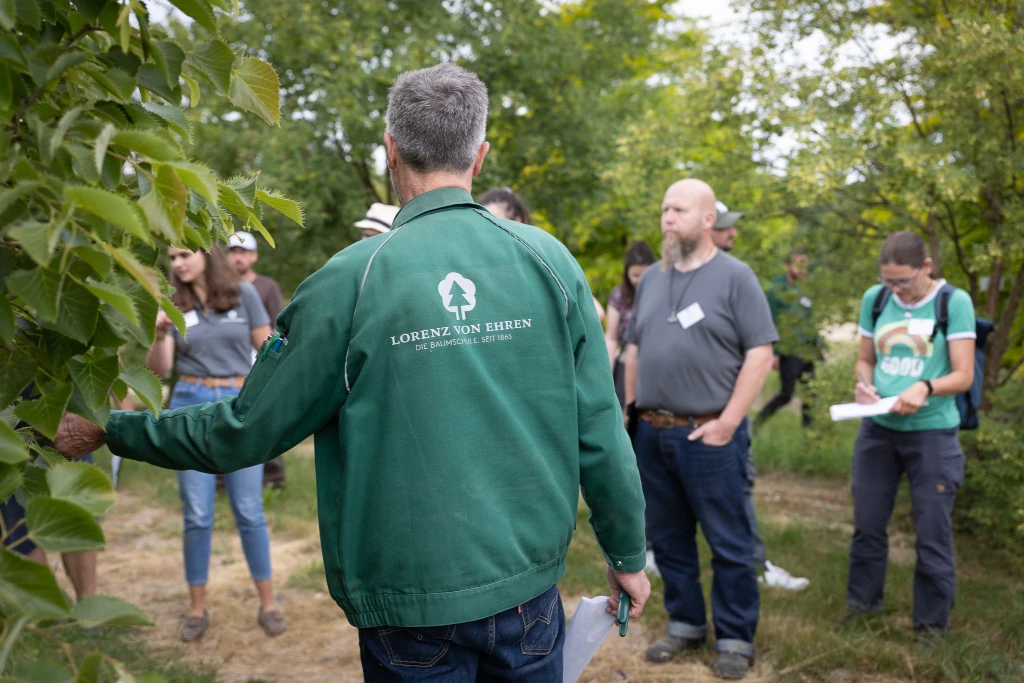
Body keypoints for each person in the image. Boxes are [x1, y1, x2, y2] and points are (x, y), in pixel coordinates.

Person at [56, 63, 650, 681]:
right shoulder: (547, 259)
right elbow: (600, 425)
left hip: (409, 604)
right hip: (528, 594)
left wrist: (111, 428)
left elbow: (244, 431)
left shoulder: (349, 281)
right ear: (481, 155)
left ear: (390, 151)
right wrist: (626, 552)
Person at [623, 179, 777, 680]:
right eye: (665, 208)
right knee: (668, 539)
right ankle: (686, 624)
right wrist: (629, 413)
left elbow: (761, 353)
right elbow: (635, 350)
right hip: (652, 431)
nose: (668, 218)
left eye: (680, 210)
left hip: (708, 433)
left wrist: (728, 422)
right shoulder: (651, 280)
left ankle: (734, 638)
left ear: (709, 219)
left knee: (728, 540)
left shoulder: (736, 277)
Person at [146, 245, 284, 642]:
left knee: (248, 508)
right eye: (171, 258)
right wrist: (158, 334)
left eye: (184, 254)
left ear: (208, 254)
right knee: (197, 513)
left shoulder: (246, 295)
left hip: (236, 405)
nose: (177, 264)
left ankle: (269, 604)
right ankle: (196, 609)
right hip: (189, 402)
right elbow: (161, 370)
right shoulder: (172, 301)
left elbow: (267, 350)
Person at [843, 231, 974, 640]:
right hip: (878, 430)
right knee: (867, 523)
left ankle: (932, 626)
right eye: (889, 282)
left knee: (932, 530)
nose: (896, 289)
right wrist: (864, 386)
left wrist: (926, 388)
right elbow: (865, 359)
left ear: (927, 268)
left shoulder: (954, 302)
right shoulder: (875, 300)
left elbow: (964, 375)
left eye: (904, 281)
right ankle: (863, 607)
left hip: (931, 433)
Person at [707, 203, 811, 592]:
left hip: (727, 417)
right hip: (686, 419)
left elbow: (757, 346)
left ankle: (757, 565)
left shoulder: (737, 278)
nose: (733, 234)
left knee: (738, 493)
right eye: (726, 228)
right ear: (707, 227)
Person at [479, 186, 607, 323]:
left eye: (495, 222)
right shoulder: (481, 264)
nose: (489, 230)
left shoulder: (542, 257)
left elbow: (596, 312)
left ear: (517, 221)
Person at [227, 230, 287, 489]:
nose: (237, 257)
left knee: (265, 420)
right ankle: (221, 480)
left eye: (243, 252)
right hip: (227, 368)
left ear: (254, 256)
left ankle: (273, 479)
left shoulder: (266, 286)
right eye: (233, 252)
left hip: (259, 365)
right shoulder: (219, 288)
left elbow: (278, 326)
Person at [758, 248, 819, 428]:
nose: (802, 269)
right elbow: (770, 320)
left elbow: (809, 320)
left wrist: (817, 344)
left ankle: (808, 434)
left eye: (805, 265)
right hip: (788, 349)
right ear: (787, 265)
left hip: (806, 350)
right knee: (787, 393)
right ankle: (757, 423)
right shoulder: (776, 289)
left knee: (811, 392)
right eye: (798, 264)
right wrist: (774, 353)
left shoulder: (803, 289)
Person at [605, 241, 656, 406]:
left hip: (652, 367)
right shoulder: (619, 295)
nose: (639, 281)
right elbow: (611, 338)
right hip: (625, 365)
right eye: (635, 275)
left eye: (644, 274)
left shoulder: (661, 294)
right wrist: (605, 373)